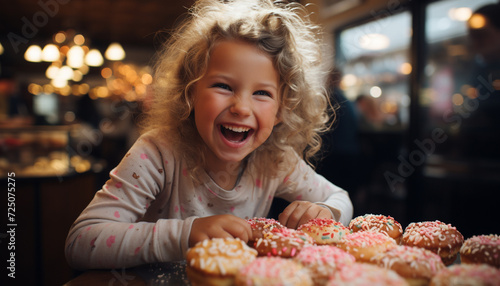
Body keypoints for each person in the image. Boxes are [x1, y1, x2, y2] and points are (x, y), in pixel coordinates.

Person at [65, 0, 353, 270]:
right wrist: (186, 233)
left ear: (281, 110)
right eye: (223, 86)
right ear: (190, 92)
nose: (241, 107)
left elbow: (341, 198)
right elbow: (82, 241)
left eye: (262, 93)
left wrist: (325, 211)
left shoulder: (275, 160)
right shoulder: (157, 153)